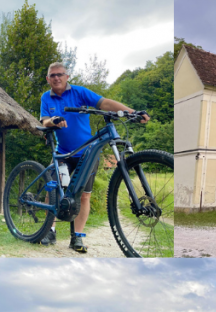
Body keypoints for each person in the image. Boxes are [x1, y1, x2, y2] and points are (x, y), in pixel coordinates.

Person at [38, 62, 149, 253]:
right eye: (52, 75)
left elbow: (104, 103)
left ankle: (77, 238)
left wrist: (131, 112)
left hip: (87, 154)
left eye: (60, 74)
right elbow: (44, 120)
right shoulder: (46, 97)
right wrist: (53, 121)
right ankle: (50, 230)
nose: (56, 78)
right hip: (63, 152)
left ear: (67, 76)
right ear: (48, 79)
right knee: (53, 190)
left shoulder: (80, 92)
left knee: (84, 196)